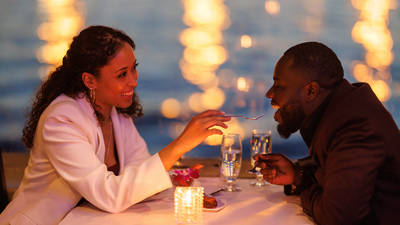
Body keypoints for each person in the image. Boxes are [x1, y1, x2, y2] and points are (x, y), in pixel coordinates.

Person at [0, 25, 230, 225]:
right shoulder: (61, 120)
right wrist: (180, 145)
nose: (134, 80)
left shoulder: (114, 112)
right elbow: (110, 195)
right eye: (122, 74)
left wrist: (174, 178)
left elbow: (138, 171)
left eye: (134, 68)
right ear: (89, 80)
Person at [257, 42, 400, 225]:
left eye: (279, 85)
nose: (270, 94)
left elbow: (337, 218)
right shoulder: (341, 111)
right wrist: (298, 176)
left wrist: (307, 190)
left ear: (310, 91)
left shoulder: (355, 129)